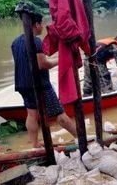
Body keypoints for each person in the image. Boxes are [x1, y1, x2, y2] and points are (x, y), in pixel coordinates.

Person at [12, 11, 77, 148]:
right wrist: (61, 60)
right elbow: (43, 64)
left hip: (22, 83)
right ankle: (79, 136)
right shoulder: (35, 41)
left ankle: (35, 145)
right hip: (39, 84)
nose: (42, 27)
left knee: (31, 114)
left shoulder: (15, 42)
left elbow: (25, 61)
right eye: (41, 24)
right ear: (36, 25)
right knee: (59, 113)